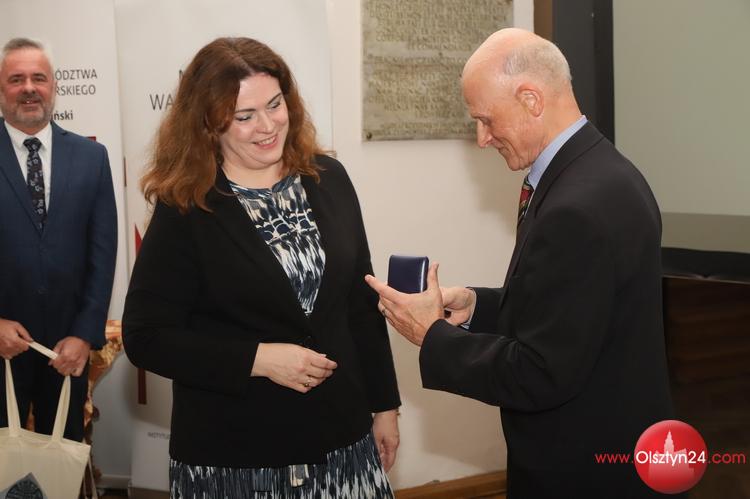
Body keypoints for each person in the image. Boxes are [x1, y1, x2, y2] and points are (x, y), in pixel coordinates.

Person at [366, 28, 676, 498]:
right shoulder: (598, 170)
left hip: (585, 470)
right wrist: (477, 306)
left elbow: (541, 373)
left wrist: (432, 335)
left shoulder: (577, 206)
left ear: (531, 99)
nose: (482, 138)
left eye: (486, 120)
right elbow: (571, 311)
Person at [122, 37, 401, 498]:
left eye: (274, 105)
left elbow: (360, 303)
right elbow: (145, 337)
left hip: (342, 439)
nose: (268, 126)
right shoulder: (186, 207)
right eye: (244, 116)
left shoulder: (329, 178)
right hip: (238, 456)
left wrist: (385, 405)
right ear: (209, 124)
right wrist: (257, 360)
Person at [0, 37, 117, 441]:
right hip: (1, 347)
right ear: (1, 90)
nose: (29, 88)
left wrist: (84, 335)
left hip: (67, 351)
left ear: (54, 87)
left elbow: (103, 254)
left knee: (60, 461)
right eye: (16, 79)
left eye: (39, 78)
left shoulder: (91, 158)